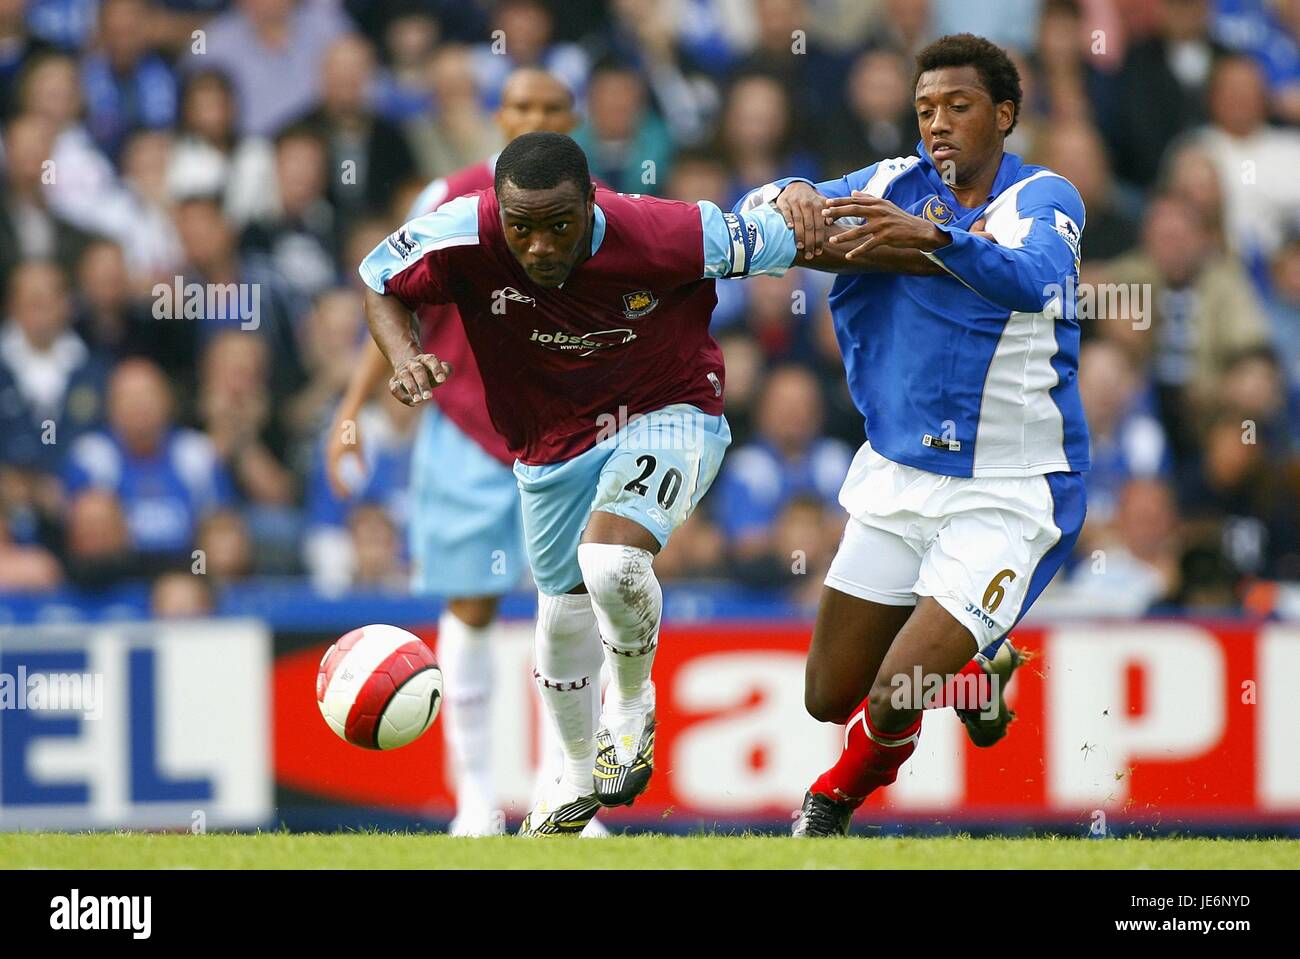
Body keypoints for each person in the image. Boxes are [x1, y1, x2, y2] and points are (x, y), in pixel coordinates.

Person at [357, 130, 844, 836]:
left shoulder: (662, 232)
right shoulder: (462, 230)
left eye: (560, 226)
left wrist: (795, 192)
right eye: (522, 228)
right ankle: (575, 780)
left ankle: (632, 708)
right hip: (549, 443)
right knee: (559, 622)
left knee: (611, 560)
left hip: (669, 410)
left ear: (592, 202)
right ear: (499, 211)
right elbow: (377, 280)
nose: (541, 246)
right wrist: (405, 356)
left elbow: (777, 231)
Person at [738, 33, 1091, 836]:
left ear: (1003, 114)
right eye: (926, 107)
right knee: (829, 692)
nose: (937, 124)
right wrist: (789, 189)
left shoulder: (1045, 195)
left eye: (958, 106)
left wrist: (932, 240)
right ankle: (979, 670)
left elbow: (1040, 278)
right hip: (900, 474)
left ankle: (830, 802)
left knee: (897, 689)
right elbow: (766, 209)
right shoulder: (892, 182)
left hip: (1011, 486)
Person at [325, 68, 585, 837]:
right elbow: (390, 294)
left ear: (571, 120)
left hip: (569, 437)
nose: (534, 117)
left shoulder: (606, 209)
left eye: (550, 108)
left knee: (567, 613)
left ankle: (561, 796)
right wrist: (351, 408)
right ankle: (474, 798)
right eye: (521, 107)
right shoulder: (450, 196)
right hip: (468, 433)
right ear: (499, 116)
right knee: (470, 607)